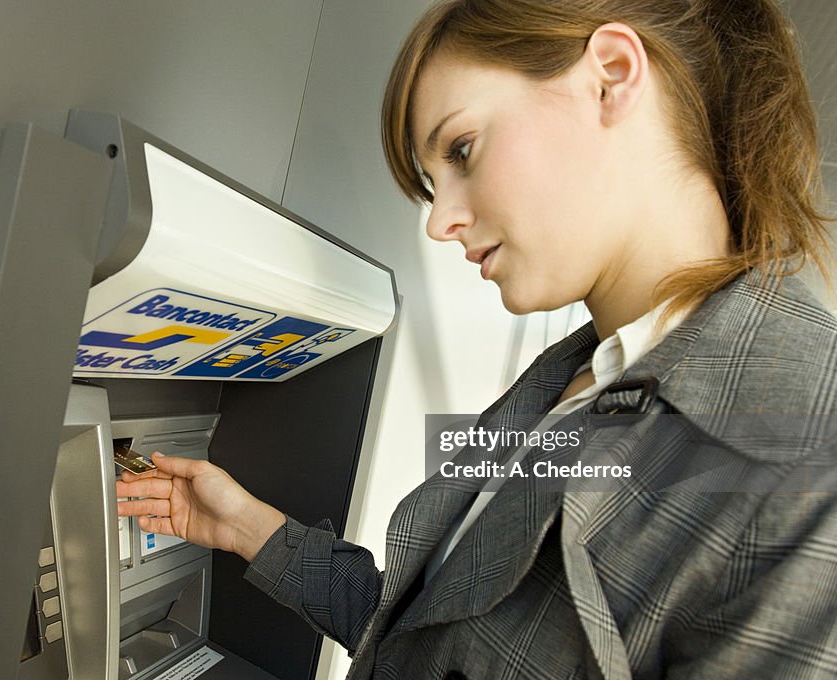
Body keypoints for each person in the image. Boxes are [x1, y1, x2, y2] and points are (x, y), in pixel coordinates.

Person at [117, 0, 837, 677]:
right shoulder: (568, 376)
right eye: (434, 183)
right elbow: (430, 639)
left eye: (462, 149)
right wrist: (253, 531)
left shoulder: (808, 454)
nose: (440, 223)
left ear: (612, 76)